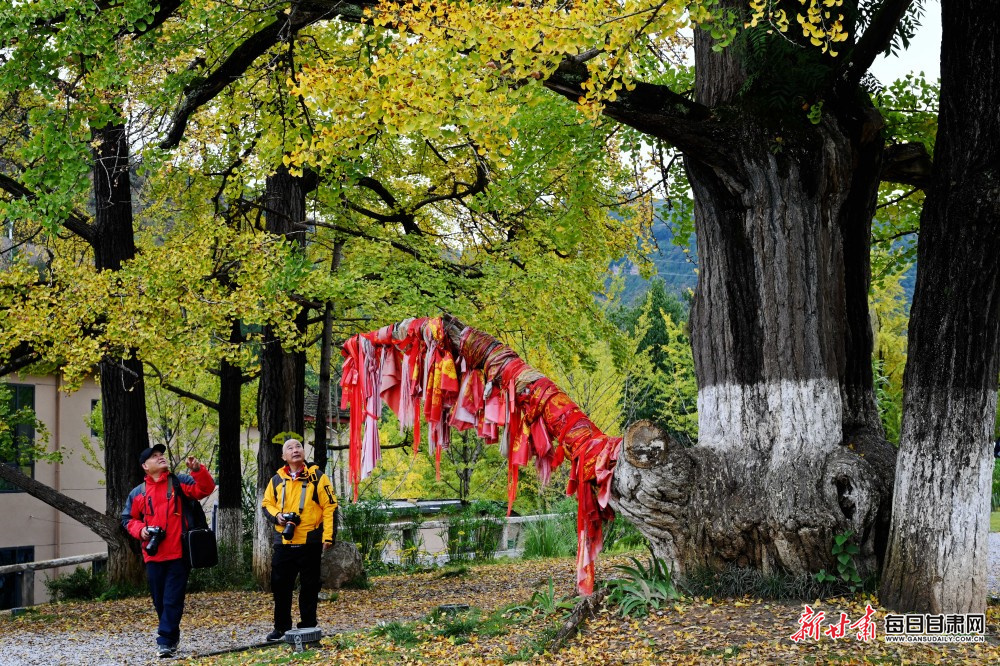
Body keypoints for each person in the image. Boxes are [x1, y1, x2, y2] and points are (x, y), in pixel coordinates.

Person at [121, 444, 216, 658]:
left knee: (172, 599)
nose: (161, 457)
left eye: (161, 454)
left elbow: (205, 489)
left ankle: (164, 641)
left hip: (179, 553)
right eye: (155, 456)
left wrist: (197, 470)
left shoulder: (180, 482)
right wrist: (142, 530)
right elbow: (127, 519)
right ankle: (172, 636)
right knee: (159, 600)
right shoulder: (138, 493)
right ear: (145, 466)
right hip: (153, 554)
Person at [261, 438, 338, 642]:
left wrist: (328, 536)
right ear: (283, 457)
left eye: (298, 447)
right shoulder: (276, 479)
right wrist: (277, 515)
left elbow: (330, 507)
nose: (295, 450)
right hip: (284, 541)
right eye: (290, 448)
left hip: (309, 541)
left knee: (310, 586)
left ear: (304, 452)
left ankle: (308, 626)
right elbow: (266, 503)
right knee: (280, 586)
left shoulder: (318, 477)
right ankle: (281, 627)